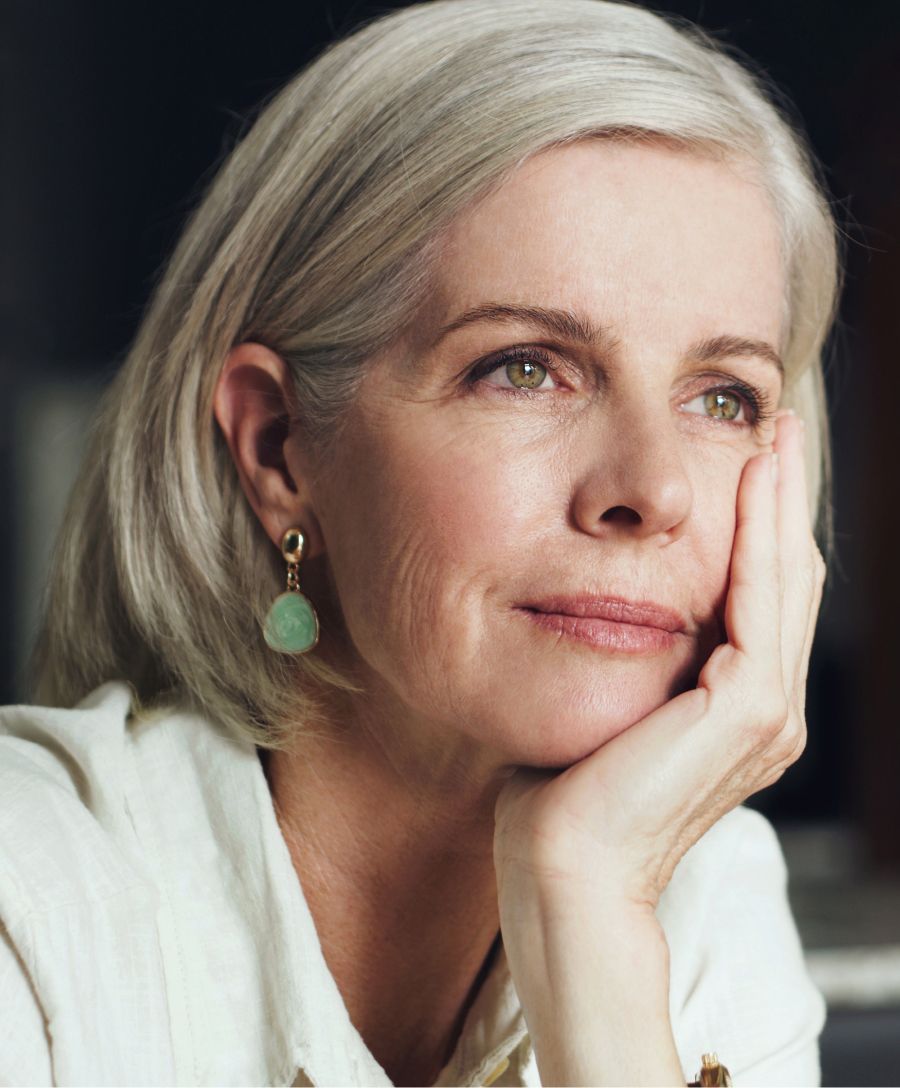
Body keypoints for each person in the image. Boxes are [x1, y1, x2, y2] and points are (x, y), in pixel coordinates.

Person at [0, 0, 837, 1084]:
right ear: (279, 447)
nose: (653, 488)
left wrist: (587, 913)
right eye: (525, 367)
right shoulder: (30, 901)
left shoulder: (698, 894)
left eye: (723, 396)